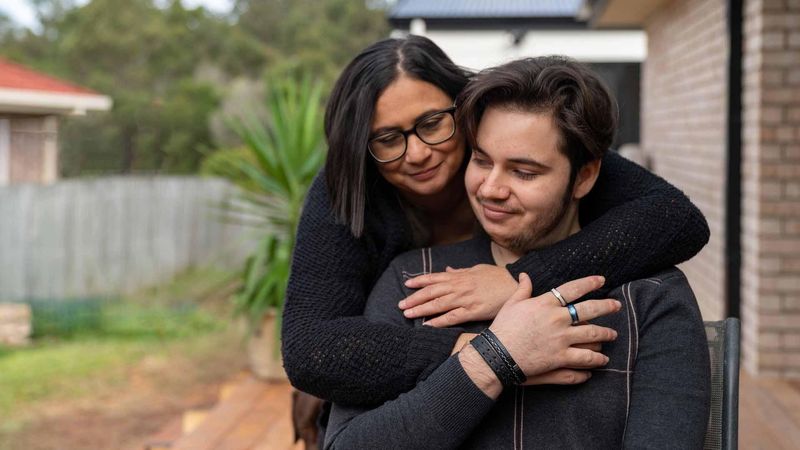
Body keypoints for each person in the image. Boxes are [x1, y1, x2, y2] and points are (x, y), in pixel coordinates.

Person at [282, 35, 708, 413]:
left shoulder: (524, 147)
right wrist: (488, 353)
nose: (416, 154)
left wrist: (518, 279)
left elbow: (675, 219)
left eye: (432, 124)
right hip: (396, 403)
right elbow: (309, 350)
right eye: (388, 139)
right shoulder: (346, 187)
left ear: (464, 108)